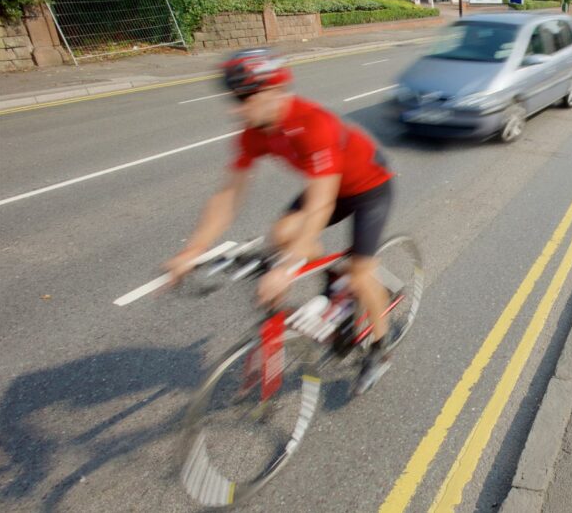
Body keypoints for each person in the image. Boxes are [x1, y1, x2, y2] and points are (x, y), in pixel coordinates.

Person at [165, 48, 398, 395]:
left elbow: (320, 205)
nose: (236, 107)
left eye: (244, 97)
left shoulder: (313, 123)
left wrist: (287, 270)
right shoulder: (253, 132)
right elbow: (228, 194)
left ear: (273, 92)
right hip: (330, 185)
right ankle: (336, 282)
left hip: (369, 186)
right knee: (282, 233)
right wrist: (194, 249)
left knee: (361, 271)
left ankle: (379, 349)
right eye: (234, 97)